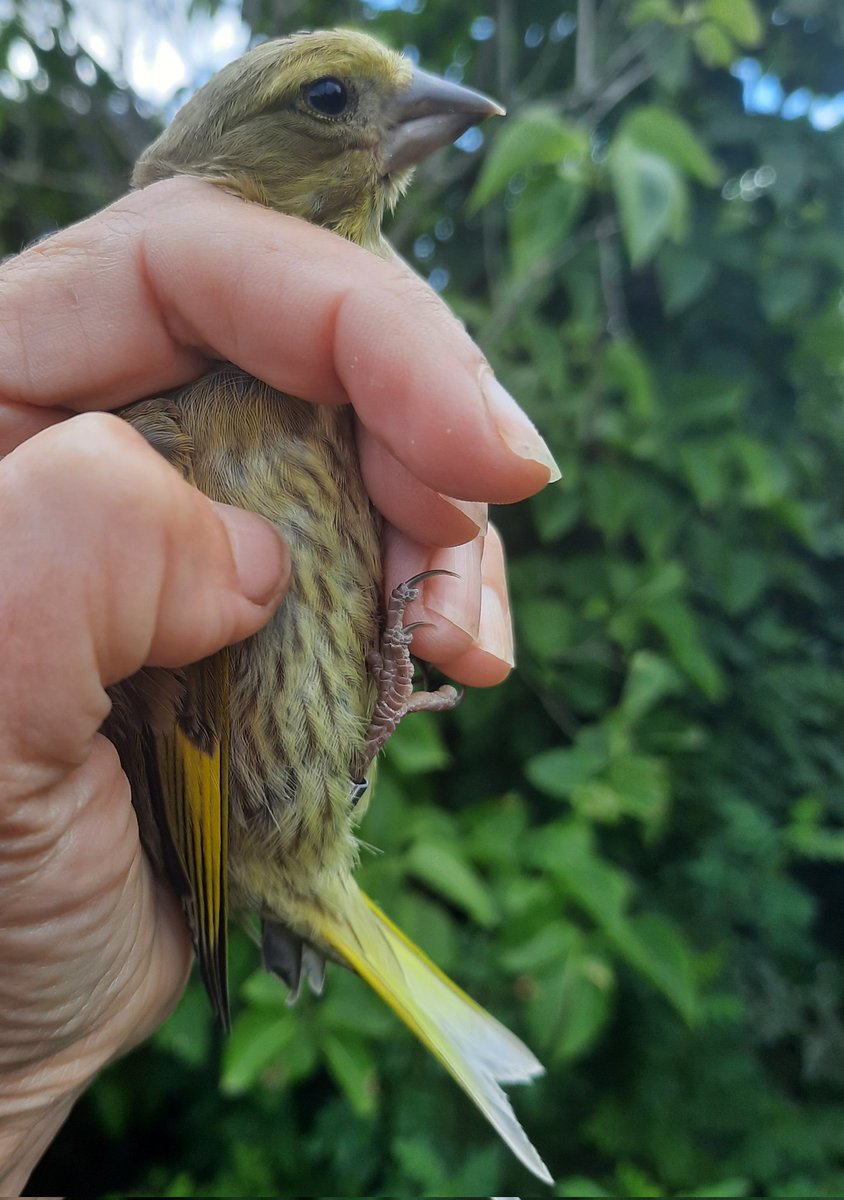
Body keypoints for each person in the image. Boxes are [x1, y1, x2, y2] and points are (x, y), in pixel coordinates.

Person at [0, 177, 559, 1192]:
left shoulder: (296, 412)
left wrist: (18, 1076)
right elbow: (194, 744)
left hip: (258, 816)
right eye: (333, 106)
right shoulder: (155, 450)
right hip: (252, 822)